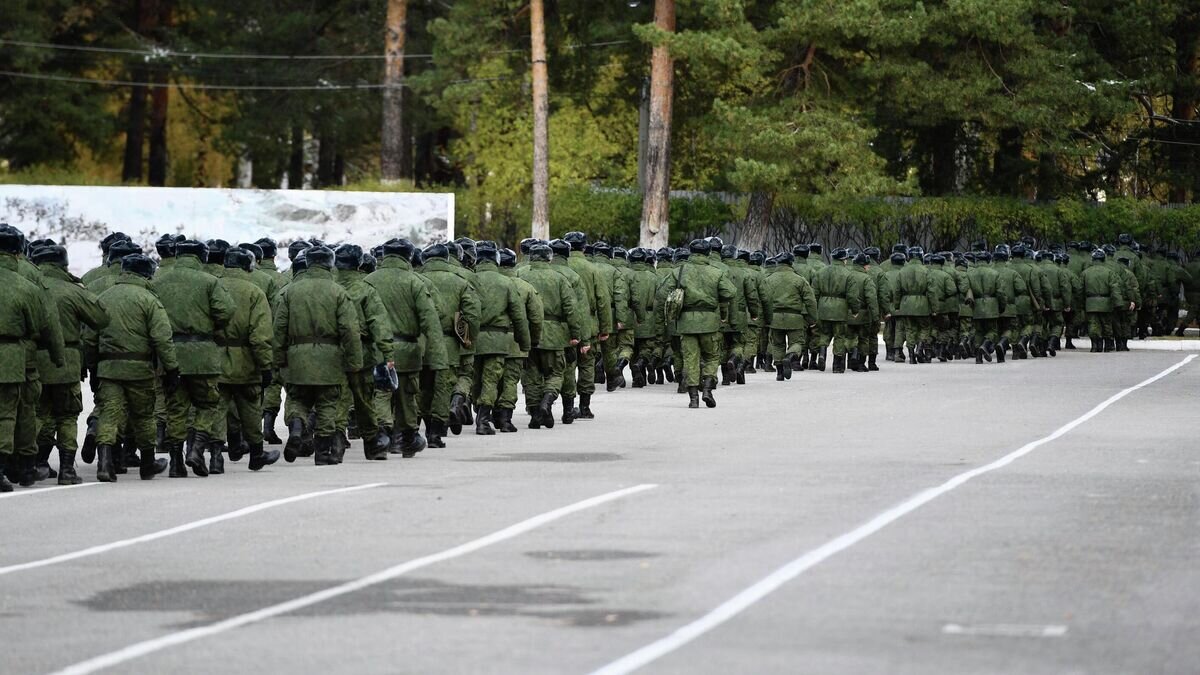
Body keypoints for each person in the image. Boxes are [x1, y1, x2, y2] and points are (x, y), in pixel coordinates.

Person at [274, 246, 364, 465]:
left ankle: (296, 427)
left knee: (298, 398)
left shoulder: (289, 291)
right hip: (330, 357)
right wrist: (354, 362)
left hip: (297, 356)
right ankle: (323, 453)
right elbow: (349, 330)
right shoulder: (338, 292)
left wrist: (278, 360)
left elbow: (279, 329)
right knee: (327, 402)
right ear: (330, 264)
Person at [89, 254, 175, 482]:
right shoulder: (149, 299)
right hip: (139, 369)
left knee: (109, 414)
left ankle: (105, 463)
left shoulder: (103, 298)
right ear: (146, 274)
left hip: (108, 368)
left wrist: (91, 367)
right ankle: (147, 463)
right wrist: (172, 368)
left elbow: (89, 337)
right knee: (144, 416)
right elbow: (162, 338)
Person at [152, 240, 234, 477]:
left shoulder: (158, 282)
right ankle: (196, 448)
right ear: (201, 257)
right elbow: (226, 311)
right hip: (202, 354)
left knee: (176, 407)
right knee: (207, 404)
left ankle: (176, 462)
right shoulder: (209, 281)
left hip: (170, 354)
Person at [31, 244, 109, 484]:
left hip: (33, 362)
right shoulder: (71, 290)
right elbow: (101, 318)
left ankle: (31, 462)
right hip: (67, 362)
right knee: (66, 415)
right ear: (63, 264)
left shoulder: (29, 287)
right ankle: (67, 469)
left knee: (37, 413)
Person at [364, 239, 445, 456]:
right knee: (407, 395)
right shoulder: (415, 282)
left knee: (381, 393)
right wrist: (437, 358)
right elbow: (431, 320)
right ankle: (404, 438)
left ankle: (383, 434)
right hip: (408, 349)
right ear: (408, 256)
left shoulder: (368, 281)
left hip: (375, 349)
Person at [216, 247, 281, 472]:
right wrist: (265, 366)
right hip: (246, 362)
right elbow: (259, 336)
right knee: (251, 408)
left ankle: (216, 457)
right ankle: (256, 454)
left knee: (216, 408)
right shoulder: (254, 292)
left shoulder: (212, 286)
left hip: (215, 360)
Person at [333, 244, 393, 461]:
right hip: (363, 351)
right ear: (359, 263)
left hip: (333, 351)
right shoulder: (366, 289)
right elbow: (379, 324)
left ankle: (336, 439)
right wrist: (387, 354)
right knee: (364, 398)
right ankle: (372, 443)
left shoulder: (331, 287)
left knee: (338, 396)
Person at [417, 242, 478, 445]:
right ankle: (436, 432)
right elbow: (472, 313)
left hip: (419, 341)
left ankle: (418, 427)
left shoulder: (416, 278)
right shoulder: (461, 280)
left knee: (422, 386)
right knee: (443, 385)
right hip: (448, 342)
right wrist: (469, 338)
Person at [516, 243, 582, 428]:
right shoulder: (559, 279)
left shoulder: (520, 275)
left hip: (528, 332)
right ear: (549, 258)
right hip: (555, 335)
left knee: (531, 375)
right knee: (555, 373)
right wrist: (576, 334)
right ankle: (548, 399)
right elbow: (571, 308)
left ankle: (535, 415)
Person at [470, 242, 530, 434]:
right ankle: (483, 420)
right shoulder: (506, 283)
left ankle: (478, 410)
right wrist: (524, 342)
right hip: (497, 339)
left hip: (472, 339)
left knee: (475, 379)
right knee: (491, 379)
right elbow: (519, 316)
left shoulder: (469, 279)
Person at [675, 239, 736, 408]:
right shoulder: (716, 272)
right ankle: (708, 388)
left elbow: (663, 293)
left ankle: (693, 399)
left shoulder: (680, 271)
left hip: (686, 323)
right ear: (709, 253)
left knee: (690, 359)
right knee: (712, 356)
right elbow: (731, 292)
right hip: (709, 322)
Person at [497, 247, 542, 432]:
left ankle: (487, 416)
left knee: (490, 379)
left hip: (489, 338)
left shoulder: (482, 282)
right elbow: (536, 317)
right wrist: (533, 340)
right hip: (516, 341)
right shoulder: (525, 287)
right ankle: (505, 418)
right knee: (510, 380)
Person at [760, 251, 818, 380]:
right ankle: (790, 356)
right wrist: (813, 318)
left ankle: (780, 373)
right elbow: (810, 300)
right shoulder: (799, 279)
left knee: (777, 344)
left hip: (775, 317)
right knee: (797, 342)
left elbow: (763, 300)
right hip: (795, 317)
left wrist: (764, 317)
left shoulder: (768, 279)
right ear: (791, 263)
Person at [1081, 248, 1127, 352]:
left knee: (1093, 324)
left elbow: (1080, 290)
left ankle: (1095, 345)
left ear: (1093, 259)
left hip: (1091, 302)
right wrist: (1119, 303)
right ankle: (1107, 345)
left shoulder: (1085, 273)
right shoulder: (1109, 272)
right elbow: (1115, 288)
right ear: (1104, 259)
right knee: (1107, 324)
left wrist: (1081, 304)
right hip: (1106, 302)